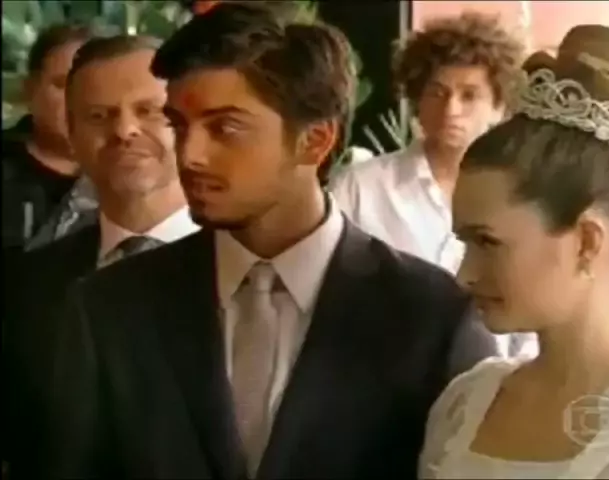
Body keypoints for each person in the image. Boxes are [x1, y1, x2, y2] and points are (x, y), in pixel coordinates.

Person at [43, 4, 498, 479]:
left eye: (225, 128)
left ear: (315, 141)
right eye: (179, 125)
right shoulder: (108, 308)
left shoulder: (432, 319)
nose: (190, 155)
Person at [418, 23, 609, 479]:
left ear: (586, 242)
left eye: (487, 242)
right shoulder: (466, 402)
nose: (464, 275)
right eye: (465, 243)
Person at [2, 34, 199, 478]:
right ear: (72, 135)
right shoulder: (27, 283)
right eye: (99, 115)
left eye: (149, 111)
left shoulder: (254, 272)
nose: (124, 130)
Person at [331, 13, 535, 359]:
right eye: (437, 92)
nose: (451, 109)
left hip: (494, 379)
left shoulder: (523, 196)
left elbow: (530, 324)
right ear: (416, 98)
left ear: (499, 106)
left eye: (469, 95)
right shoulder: (361, 188)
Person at [2, 24, 94, 250]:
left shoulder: (128, 173)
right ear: (30, 89)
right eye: (62, 84)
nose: (79, 99)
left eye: (92, 86)